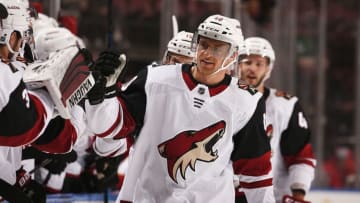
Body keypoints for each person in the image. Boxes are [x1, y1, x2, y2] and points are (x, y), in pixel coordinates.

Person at [85, 14, 274, 203]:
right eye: (204, 45)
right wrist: (103, 97)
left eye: (217, 49)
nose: (207, 54)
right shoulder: (154, 79)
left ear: (232, 55)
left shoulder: (247, 101)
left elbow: (257, 173)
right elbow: (110, 127)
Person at [236, 37, 316, 203]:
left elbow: (300, 156)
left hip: (270, 197)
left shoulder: (285, 106)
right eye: (247, 62)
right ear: (237, 65)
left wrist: (298, 195)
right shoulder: (220, 100)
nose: (252, 68)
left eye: (259, 64)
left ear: (268, 69)